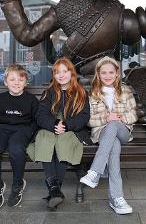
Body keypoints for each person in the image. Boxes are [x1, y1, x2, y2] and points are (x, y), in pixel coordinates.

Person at [29, 58, 90, 210]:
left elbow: (84, 116)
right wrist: (54, 124)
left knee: (64, 142)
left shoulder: (81, 92)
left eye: (65, 71)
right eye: (57, 72)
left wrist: (67, 125)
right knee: (44, 139)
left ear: (71, 73)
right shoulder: (49, 92)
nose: (61, 75)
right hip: (50, 126)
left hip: (71, 129)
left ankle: (54, 190)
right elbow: (41, 114)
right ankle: (55, 190)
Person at [79, 56, 137, 214]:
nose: (107, 75)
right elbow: (89, 120)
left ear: (117, 73)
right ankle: (117, 198)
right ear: (98, 74)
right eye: (103, 72)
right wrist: (106, 118)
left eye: (111, 72)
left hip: (123, 130)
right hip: (102, 133)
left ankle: (94, 172)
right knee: (114, 148)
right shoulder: (93, 93)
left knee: (113, 125)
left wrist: (119, 118)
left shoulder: (125, 90)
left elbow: (134, 115)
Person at [0, 64, 38, 208]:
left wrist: (29, 131)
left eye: (20, 80)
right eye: (12, 79)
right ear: (5, 82)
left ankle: (17, 184)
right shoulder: (0, 99)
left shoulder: (31, 100)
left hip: (22, 129)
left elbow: (36, 120)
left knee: (16, 149)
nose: (16, 83)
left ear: (26, 82)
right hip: (2, 129)